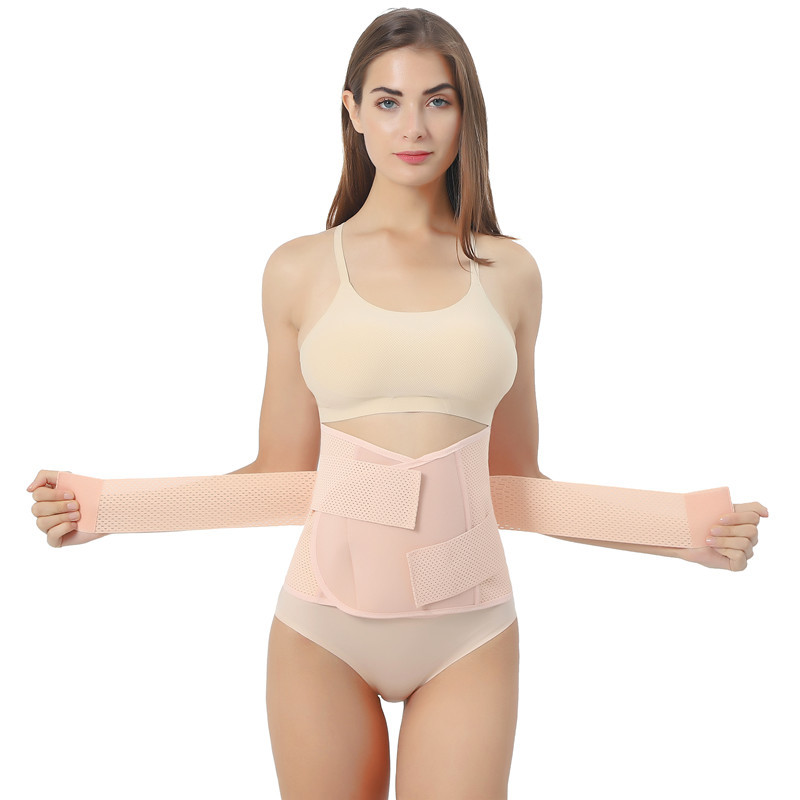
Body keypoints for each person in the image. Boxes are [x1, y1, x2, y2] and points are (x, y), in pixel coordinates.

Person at [26, 8, 767, 799]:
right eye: (388, 101)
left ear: (466, 113)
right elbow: (282, 477)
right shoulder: (298, 270)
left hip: (468, 633)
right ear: (352, 112)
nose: (413, 126)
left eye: (437, 101)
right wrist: (106, 510)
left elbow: (516, 488)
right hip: (322, 629)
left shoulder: (511, 273)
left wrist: (685, 534)